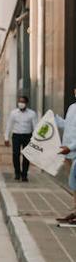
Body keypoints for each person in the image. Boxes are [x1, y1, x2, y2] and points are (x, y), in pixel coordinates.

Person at [5, 95, 38, 182]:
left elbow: (35, 127)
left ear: (26, 103)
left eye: (23, 102)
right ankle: (17, 172)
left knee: (26, 156)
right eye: (20, 102)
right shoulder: (13, 113)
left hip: (27, 136)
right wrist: (6, 138)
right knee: (15, 154)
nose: (21, 104)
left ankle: (24, 174)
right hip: (16, 136)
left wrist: (36, 139)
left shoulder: (32, 114)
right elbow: (9, 125)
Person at [57, 88, 76, 226]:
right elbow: (67, 126)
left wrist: (71, 147)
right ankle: (75, 211)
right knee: (73, 186)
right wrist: (55, 120)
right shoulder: (72, 107)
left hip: (73, 150)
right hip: (67, 152)